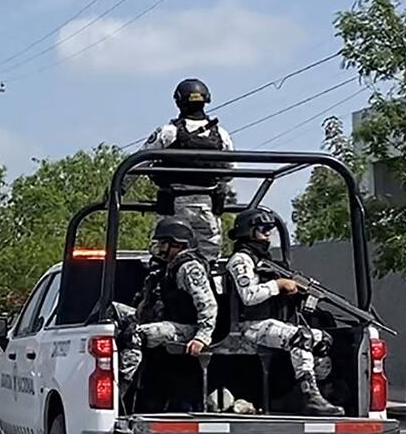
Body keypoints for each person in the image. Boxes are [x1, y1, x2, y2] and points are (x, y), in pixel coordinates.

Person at [226, 209, 344, 416]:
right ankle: (310, 397)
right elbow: (249, 295)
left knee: (323, 339)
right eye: (262, 229)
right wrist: (279, 284)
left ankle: (313, 392)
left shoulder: (265, 261)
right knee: (301, 337)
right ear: (248, 232)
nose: (268, 234)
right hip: (250, 326)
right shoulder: (241, 260)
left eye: (270, 229)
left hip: (270, 324)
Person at [119, 218, 218, 401]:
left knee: (136, 334)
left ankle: (122, 387)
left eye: (164, 243)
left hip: (187, 329)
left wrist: (202, 337)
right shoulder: (168, 268)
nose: (160, 249)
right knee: (115, 311)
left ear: (178, 244)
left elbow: (208, 304)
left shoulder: (189, 267)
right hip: (170, 322)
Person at [140, 78, 234, 262]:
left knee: (163, 256)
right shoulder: (221, 134)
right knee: (209, 259)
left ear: (178, 101)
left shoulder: (167, 132)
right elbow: (230, 170)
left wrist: (115, 192)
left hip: (173, 206)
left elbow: (138, 162)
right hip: (208, 207)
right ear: (206, 100)